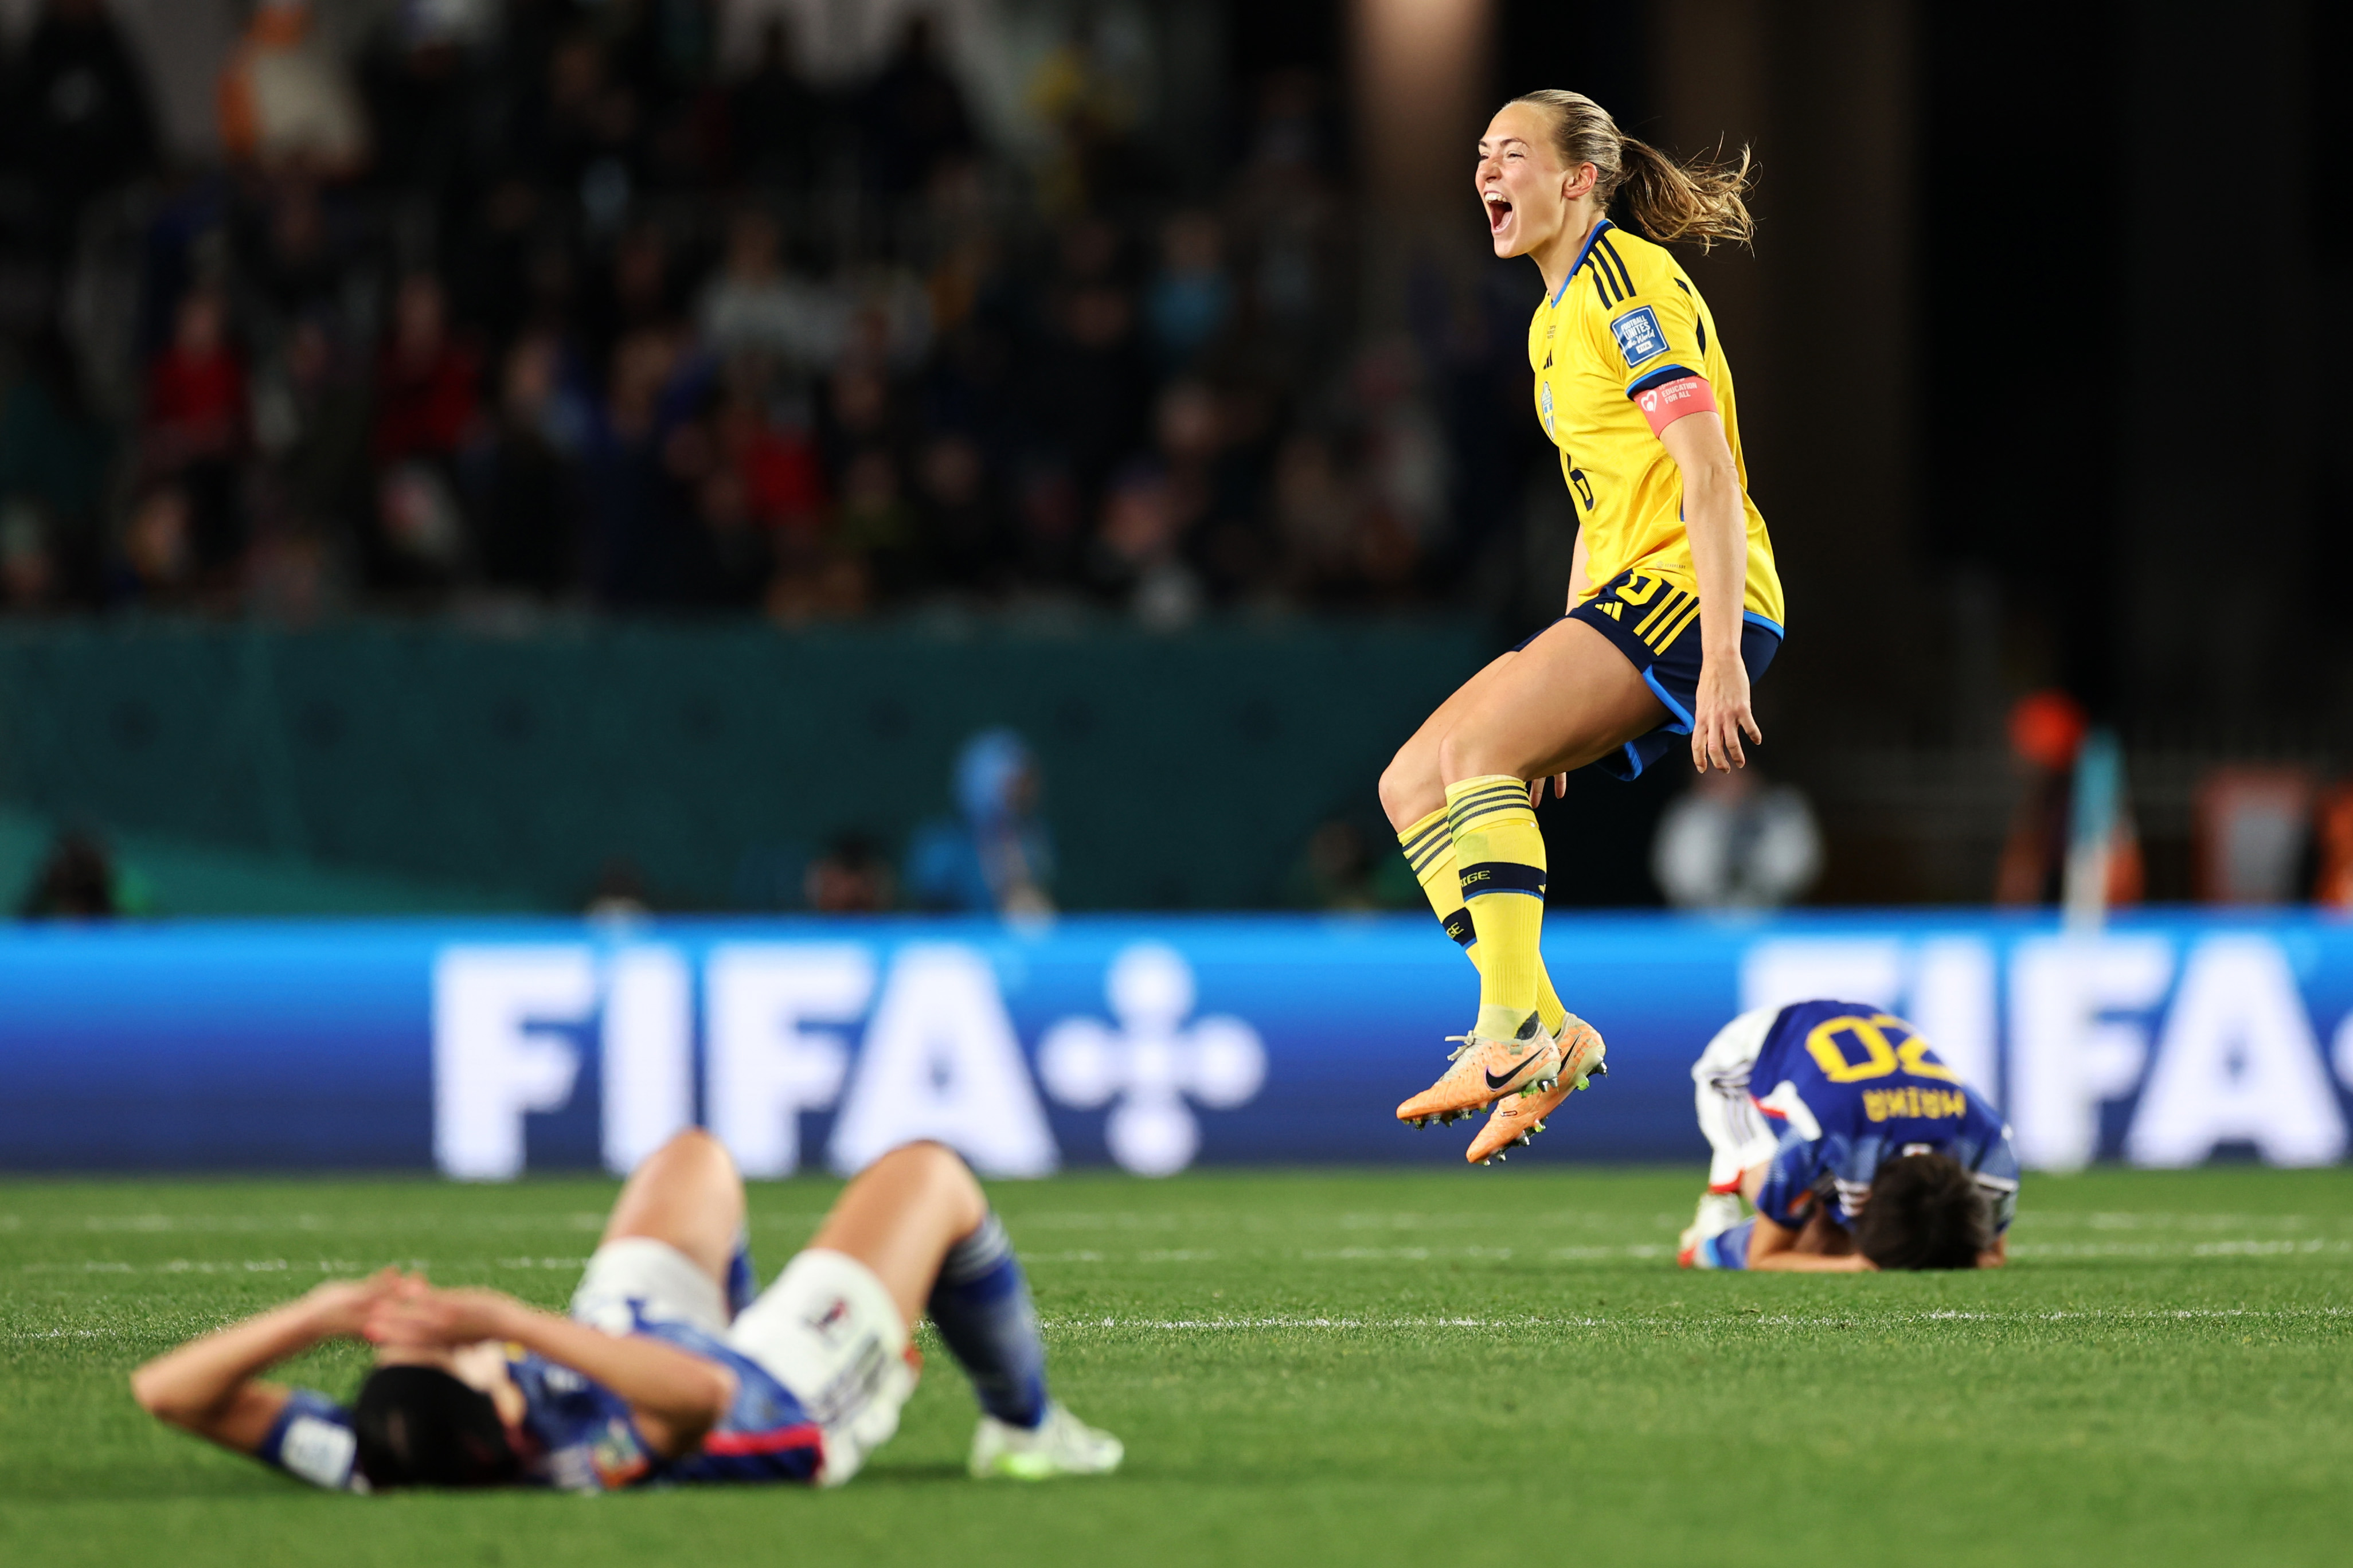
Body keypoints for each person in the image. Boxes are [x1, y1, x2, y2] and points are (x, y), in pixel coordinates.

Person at [1381, 91, 1781, 1167]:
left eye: (1508, 154)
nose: (1483, 172)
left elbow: (1706, 476)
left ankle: (1510, 1035)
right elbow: (1598, 508)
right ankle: (1546, 1026)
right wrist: (1559, 681)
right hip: (1623, 593)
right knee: (1414, 784)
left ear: (1575, 180)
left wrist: (1721, 660)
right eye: (1478, 154)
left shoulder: (1625, 287)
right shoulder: (1549, 316)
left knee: (1473, 756)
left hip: (1697, 591)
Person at [129, 1132, 1122, 1489]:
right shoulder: (581, 1460)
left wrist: (319, 1313)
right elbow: (696, 1395)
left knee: (688, 1159)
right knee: (929, 1176)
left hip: (621, 1347)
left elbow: (165, 1392)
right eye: (456, 1356)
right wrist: (507, 1321)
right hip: (769, 1398)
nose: (446, 1342)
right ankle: (1024, 1428)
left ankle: (752, 1305)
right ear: (510, 1416)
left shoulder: (373, 1455)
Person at [1676, 1001, 2018, 1272]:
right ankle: (1708, 1242)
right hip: (1744, 1062)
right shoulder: (1824, 1137)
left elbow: (1989, 1253)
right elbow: (1764, 1256)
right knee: (1817, 1243)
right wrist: (1854, 1264)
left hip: (1848, 1059)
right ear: (1865, 1196)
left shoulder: (1989, 1145)